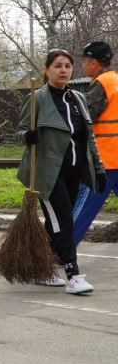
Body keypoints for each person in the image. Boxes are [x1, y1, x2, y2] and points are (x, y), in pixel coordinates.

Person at [20, 48, 104, 294]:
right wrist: (28, 135)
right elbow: (20, 131)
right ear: (47, 70)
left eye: (67, 66)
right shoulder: (38, 99)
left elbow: (89, 137)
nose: (64, 70)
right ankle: (73, 274)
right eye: (58, 66)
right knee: (65, 222)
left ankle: (42, 270)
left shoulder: (77, 100)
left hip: (74, 173)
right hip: (48, 174)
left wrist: (98, 169)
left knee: (55, 223)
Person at [72, 41, 118, 244]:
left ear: (95, 63)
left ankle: (60, 250)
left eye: (85, 61)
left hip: (105, 160)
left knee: (83, 208)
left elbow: (84, 118)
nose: (82, 65)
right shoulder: (116, 81)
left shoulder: (102, 85)